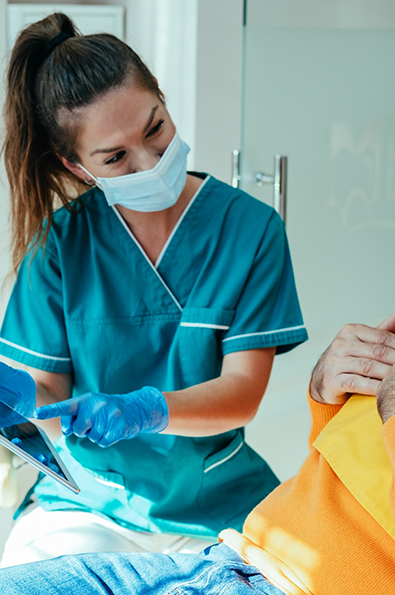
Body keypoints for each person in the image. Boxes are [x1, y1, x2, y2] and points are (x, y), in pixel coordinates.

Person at [5, 33, 395, 594]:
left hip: (249, 556)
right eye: (114, 157)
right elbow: (348, 474)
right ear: (77, 165)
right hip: (234, 555)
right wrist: (328, 396)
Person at [0, 12, 307, 567]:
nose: (151, 161)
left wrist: (148, 409)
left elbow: (243, 394)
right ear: (77, 165)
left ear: (163, 100)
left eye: (155, 128)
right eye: (114, 157)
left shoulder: (252, 230)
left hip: (218, 502)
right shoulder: (60, 245)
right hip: (89, 505)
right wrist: (20, 401)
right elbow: (45, 389)